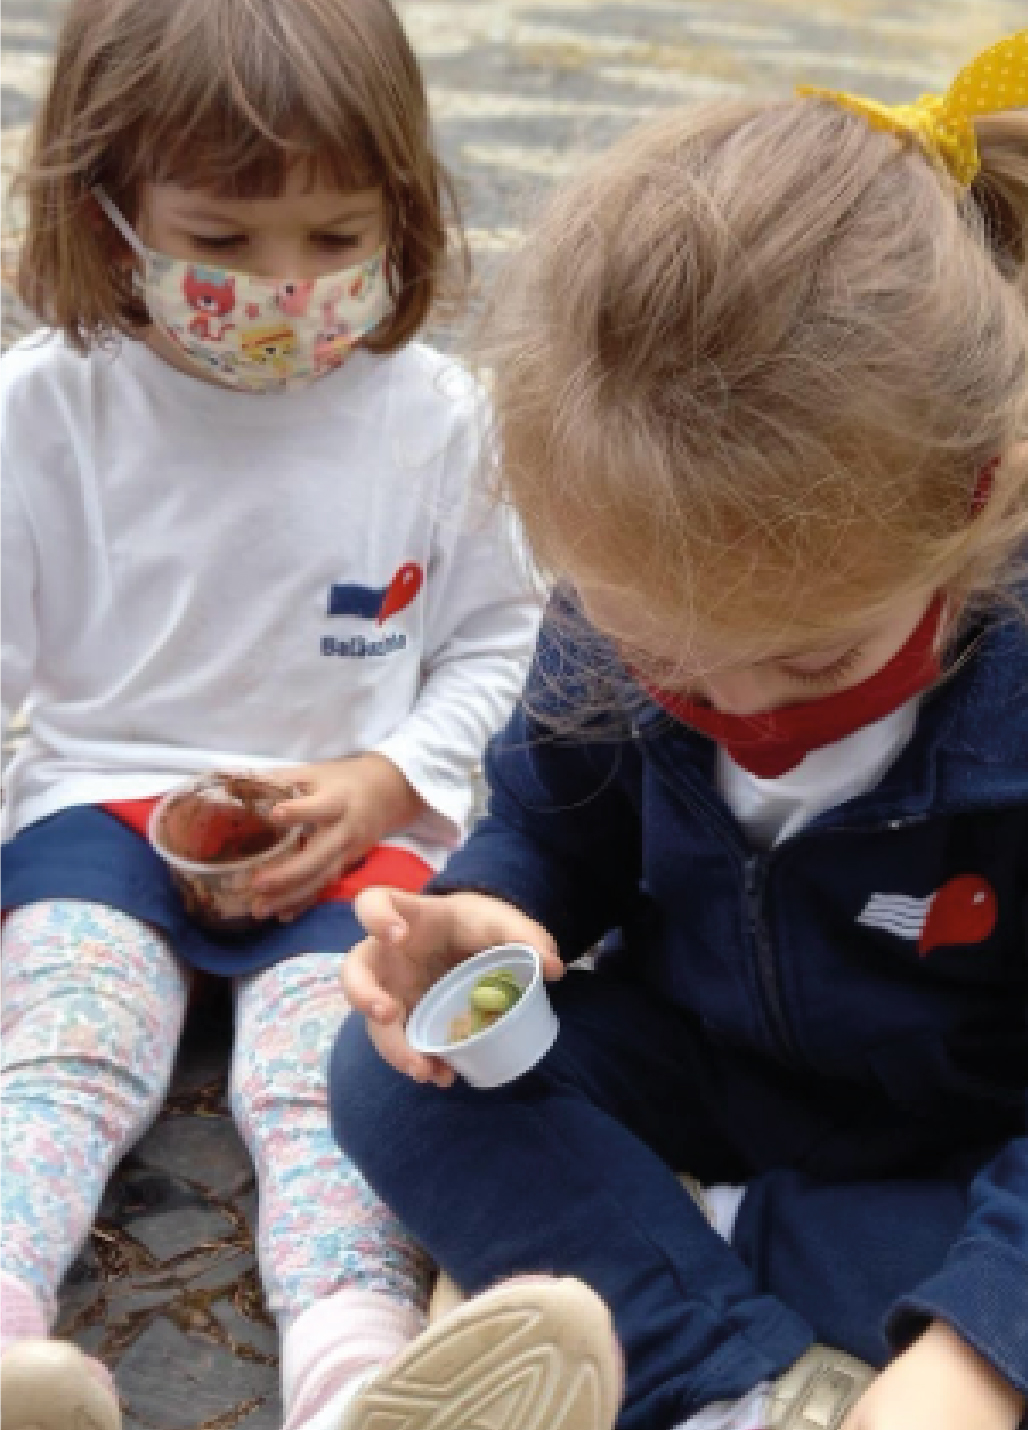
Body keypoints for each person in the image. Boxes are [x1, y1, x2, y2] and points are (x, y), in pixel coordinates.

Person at [329, 23, 1028, 1430]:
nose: (739, 713)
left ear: (978, 499)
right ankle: (738, 1387)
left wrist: (978, 1360)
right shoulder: (627, 580)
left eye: (812, 656)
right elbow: (550, 828)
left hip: (949, 1158)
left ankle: (648, 1263)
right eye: (663, 657)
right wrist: (495, 907)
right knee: (388, 1076)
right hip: (694, 1066)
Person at [0, 2, 612, 1428]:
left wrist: (390, 777)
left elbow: (505, 638)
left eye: (336, 237)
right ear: (106, 212)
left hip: (356, 831)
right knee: (67, 1049)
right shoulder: (43, 413)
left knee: (328, 1081)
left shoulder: (439, 416)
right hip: (100, 803)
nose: (285, 286)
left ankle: (362, 1381)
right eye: (221, 240)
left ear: (403, 209)